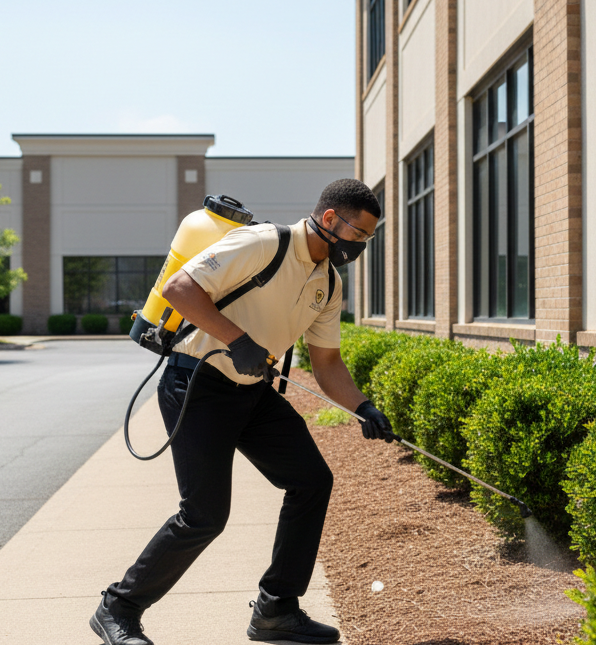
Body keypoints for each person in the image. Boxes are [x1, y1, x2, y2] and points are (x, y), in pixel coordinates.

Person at [90, 179, 394, 645]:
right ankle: (119, 608)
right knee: (204, 514)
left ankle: (276, 609)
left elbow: (327, 362)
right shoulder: (263, 243)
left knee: (312, 481)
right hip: (196, 384)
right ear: (330, 219)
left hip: (251, 394)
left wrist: (362, 407)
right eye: (357, 235)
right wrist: (237, 339)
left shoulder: (328, 284)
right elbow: (179, 287)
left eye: (367, 240)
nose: (359, 246)